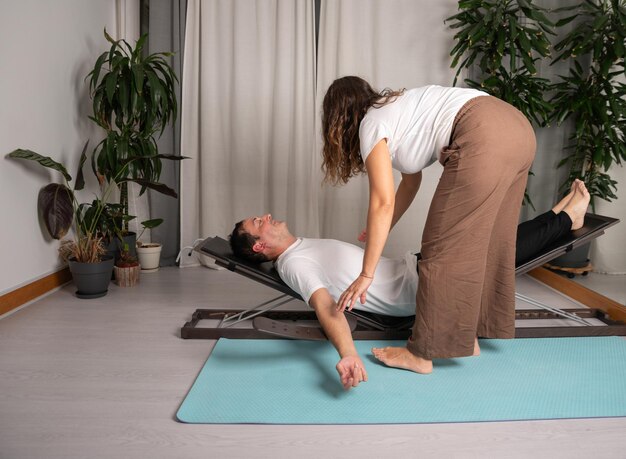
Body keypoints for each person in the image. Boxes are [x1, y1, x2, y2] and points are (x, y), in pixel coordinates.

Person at [229, 180, 590, 390]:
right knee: (490, 251)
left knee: (483, 237)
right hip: (422, 286)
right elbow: (325, 307)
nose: (267, 216)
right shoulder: (293, 263)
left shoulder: (300, 247)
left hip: (417, 268)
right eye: (259, 222)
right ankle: (563, 219)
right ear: (260, 246)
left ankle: (558, 218)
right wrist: (349, 354)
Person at [320, 76, 536, 376]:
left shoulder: (370, 124)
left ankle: (421, 354)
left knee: (440, 249)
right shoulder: (395, 110)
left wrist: (366, 274)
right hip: (518, 129)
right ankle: (467, 337)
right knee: (487, 241)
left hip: (482, 131)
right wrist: (383, 227)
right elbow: (410, 182)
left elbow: (381, 202)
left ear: (339, 118)